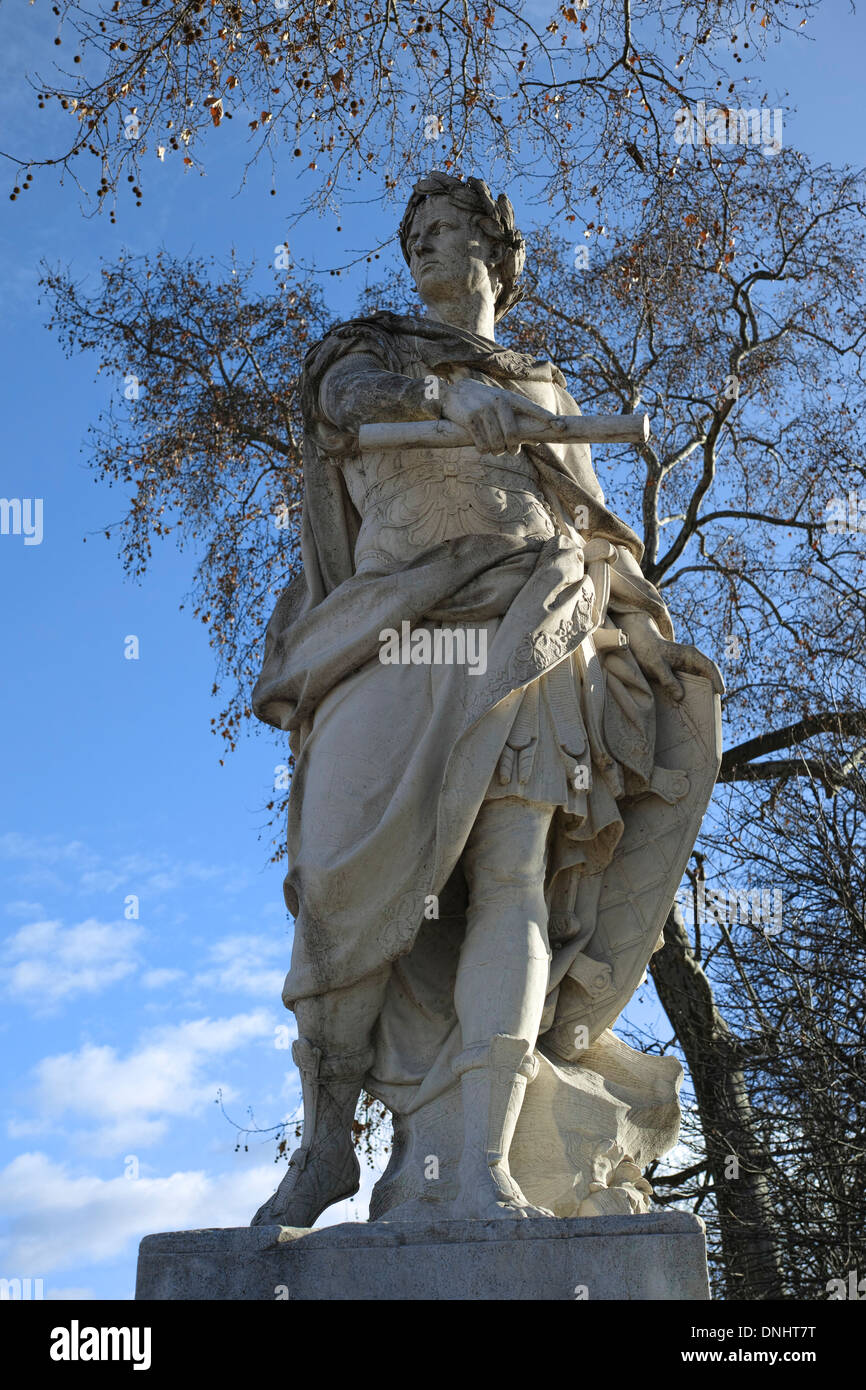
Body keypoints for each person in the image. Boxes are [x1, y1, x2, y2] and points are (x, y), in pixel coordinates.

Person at [250, 171, 722, 1226]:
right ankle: (327, 1139)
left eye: (447, 230)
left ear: (496, 256)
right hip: (393, 633)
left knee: (511, 874)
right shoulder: (368, 350)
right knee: (337, 880)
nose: (423, 244)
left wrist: (636, 630)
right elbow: (344, 405)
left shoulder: (547, 389)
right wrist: (451, 399)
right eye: (412, 231)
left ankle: (483, 1162)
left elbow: (596, 531)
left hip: (530, 625)